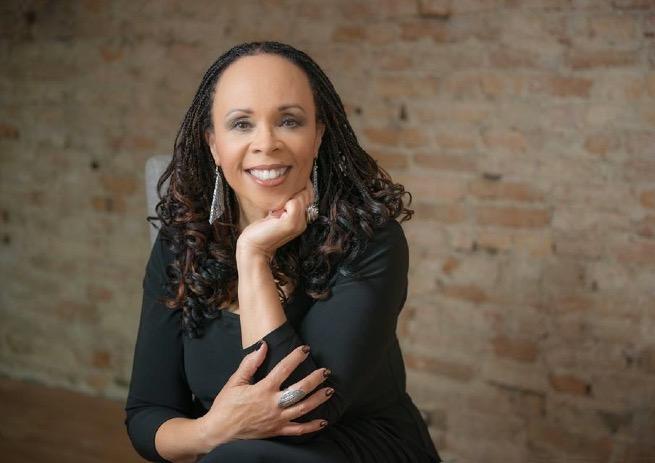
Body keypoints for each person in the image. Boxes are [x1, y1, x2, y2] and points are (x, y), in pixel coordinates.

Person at [124, 41, 442, 463]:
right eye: (241, 124)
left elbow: (301, 412)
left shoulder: (368, 239)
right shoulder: (181, 244)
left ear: (318, 135)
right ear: (214, 145)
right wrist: (210, 430)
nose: (266, 143)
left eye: (289, 121)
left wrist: (252, 256)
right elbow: (148, 415)